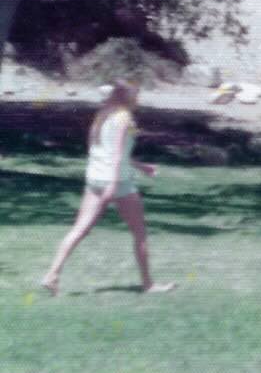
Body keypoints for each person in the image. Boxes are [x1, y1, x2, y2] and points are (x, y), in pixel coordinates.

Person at [40, 79, 175, 296]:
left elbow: (109, 151)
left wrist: (141, 167)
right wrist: (113, 185)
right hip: (117, 181)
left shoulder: (102, 115)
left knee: (80, 229)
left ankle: (52, 274)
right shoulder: (125, 118)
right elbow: (117, 154)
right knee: (140, 232)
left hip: (95, 178)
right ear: (127, 96)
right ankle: (149, 285)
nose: (138, 98)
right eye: (136, 93)